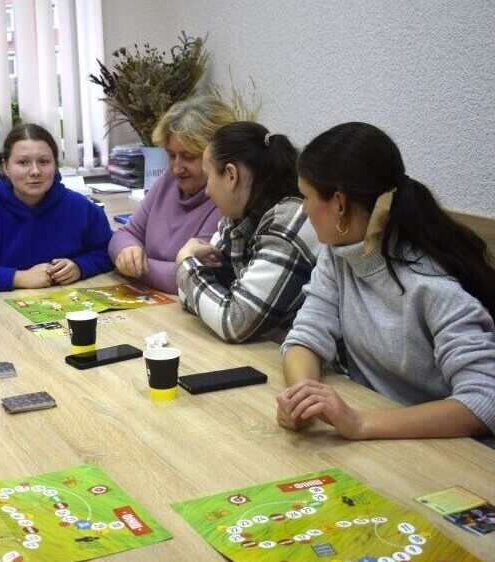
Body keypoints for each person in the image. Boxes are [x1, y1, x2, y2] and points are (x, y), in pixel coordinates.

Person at [276, 122, 495, 440]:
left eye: (306, 197)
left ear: (339, 203)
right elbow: (307, 337)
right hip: (382, 439)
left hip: (447, 451)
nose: (304, 209)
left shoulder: (432, 285)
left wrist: (360, 423)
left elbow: (484, 400)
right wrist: (303, 398)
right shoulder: (339, 254)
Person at [175, 122, 320, 342]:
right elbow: (188, 296)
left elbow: (234, 323)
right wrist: (203, 289)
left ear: (231, 175)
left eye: (208, 176)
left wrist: (186, 263)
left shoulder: (290, 221)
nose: (206, 191)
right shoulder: (238, 215)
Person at [0, 123, 113, 292]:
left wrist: (81, 266)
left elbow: (111, 251)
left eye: (44, 162)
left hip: (67, 304)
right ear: (6, 167)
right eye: (23, 162)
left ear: (55, 165)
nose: (35, 171)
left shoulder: (80, 208)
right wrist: (18, 278)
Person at [108, 95, 232, 293]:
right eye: (171, 155)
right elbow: (125, 234)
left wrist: (135, 266)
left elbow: (194, 275)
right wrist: (126, 250)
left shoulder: (226, 200)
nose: (176, 168)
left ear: (216, 157)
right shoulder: (168, 180)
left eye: (188, 157)